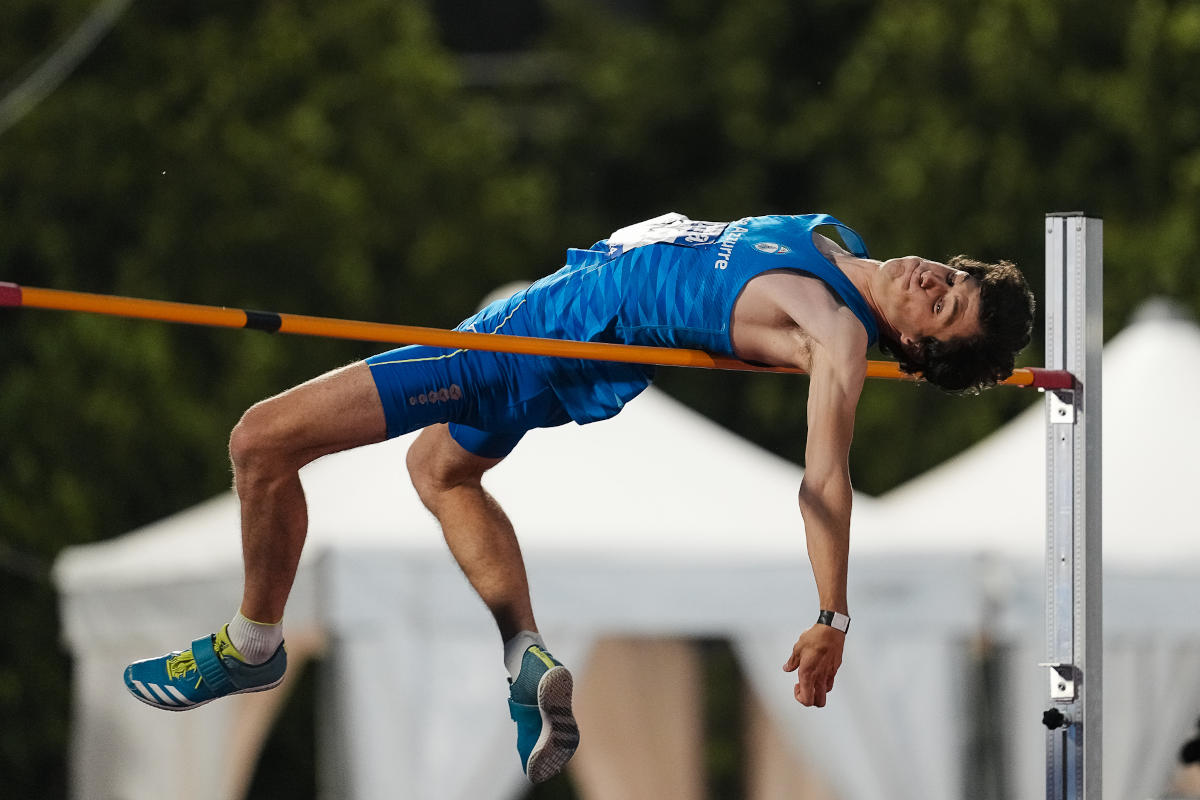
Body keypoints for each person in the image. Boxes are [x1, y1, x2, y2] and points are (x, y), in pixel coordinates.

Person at [123, 212, 1034, 783]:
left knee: (259, 440)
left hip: (537, 336)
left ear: (914, 353)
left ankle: (251, 644)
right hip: (562, 328)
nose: (935, 285)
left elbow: (824, 480)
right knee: (439, 470)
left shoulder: (834, 336)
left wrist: (831, 614)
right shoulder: (845, 253)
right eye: (952, 281)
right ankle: (526, 657)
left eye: (943, 311)